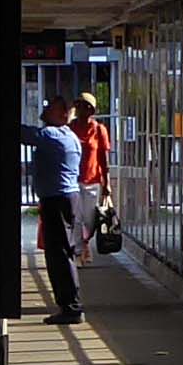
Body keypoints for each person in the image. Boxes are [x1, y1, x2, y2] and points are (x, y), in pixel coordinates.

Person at [19, 107, 84, 324]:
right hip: (68, 197)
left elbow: (22, 133)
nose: (46, 110)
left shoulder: (51, 134)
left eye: (53, 107)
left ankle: (70, 307)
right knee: (65, 250)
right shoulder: (71, 136)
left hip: (56, 199)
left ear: (63, 115)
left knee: (58, 253)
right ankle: (70, 304)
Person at [67, 90, 113, 258]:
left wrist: (106, 183)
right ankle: (78, 252)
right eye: (78, 106)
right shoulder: (70, 128)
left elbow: (104, 158)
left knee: (90, 219)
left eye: (85, 107)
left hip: (93, 180)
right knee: (76, 218)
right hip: (73, 180)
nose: (81, 110)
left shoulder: (99, 130)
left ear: (91, 110)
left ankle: (85, 243)